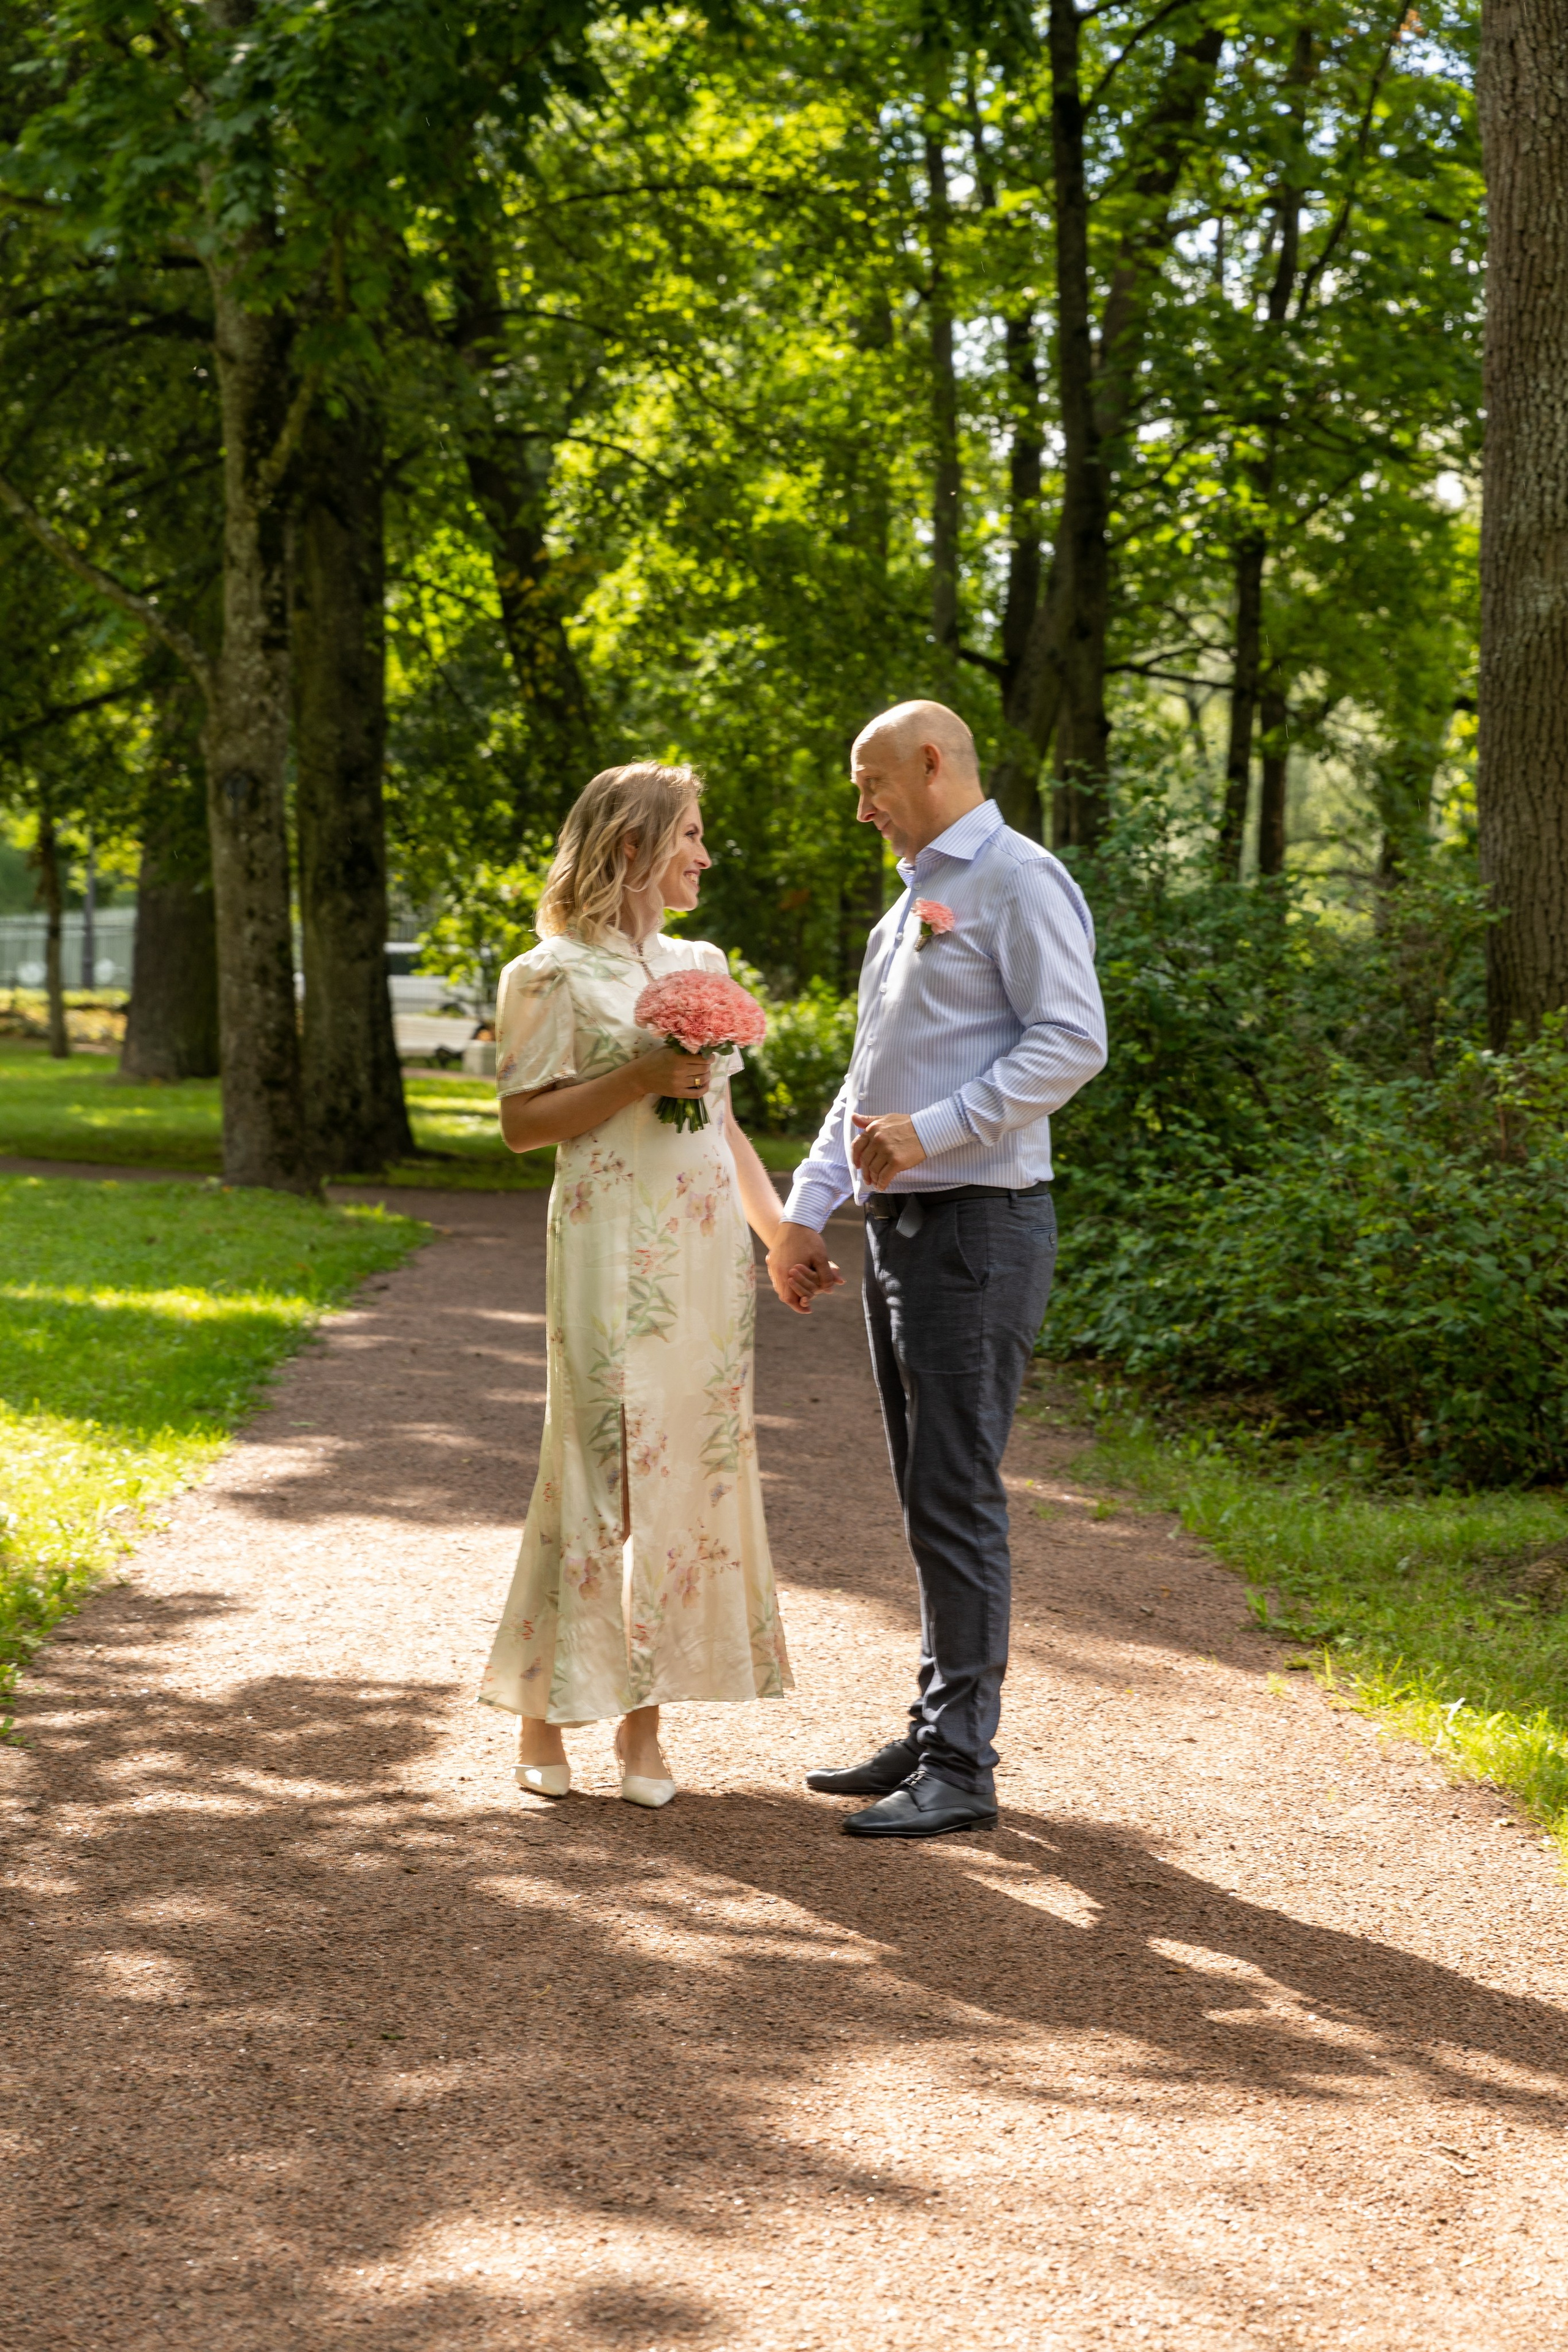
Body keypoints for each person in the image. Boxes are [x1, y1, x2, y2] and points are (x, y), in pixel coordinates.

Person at [766, 701, 1107, 1839]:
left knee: (956, 1491)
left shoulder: (1018, 876)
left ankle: (963, 1766)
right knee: (927, 1492)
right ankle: (934, 1726)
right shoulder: (906, 906)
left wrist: (939, 1129)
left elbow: (1072, 1039)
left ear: (930, 762)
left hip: (980, 1224)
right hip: (906, 1232)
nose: (860, 807)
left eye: (870, 782)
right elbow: (866, 1084)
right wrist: (807, 1214)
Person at [478, 761, 794, 1806]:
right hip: (611, 1245)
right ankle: (546, 1713)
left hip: (706, 1257)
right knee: (598, 1465)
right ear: (633, 844)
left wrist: (782, 1236)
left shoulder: (704, 961)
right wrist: (634, 1078)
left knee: (682, 1475)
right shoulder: (549, 972)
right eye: (692, 834)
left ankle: (645, 1738)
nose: (706, 854)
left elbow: (725, 1129)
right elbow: (524, 1127)